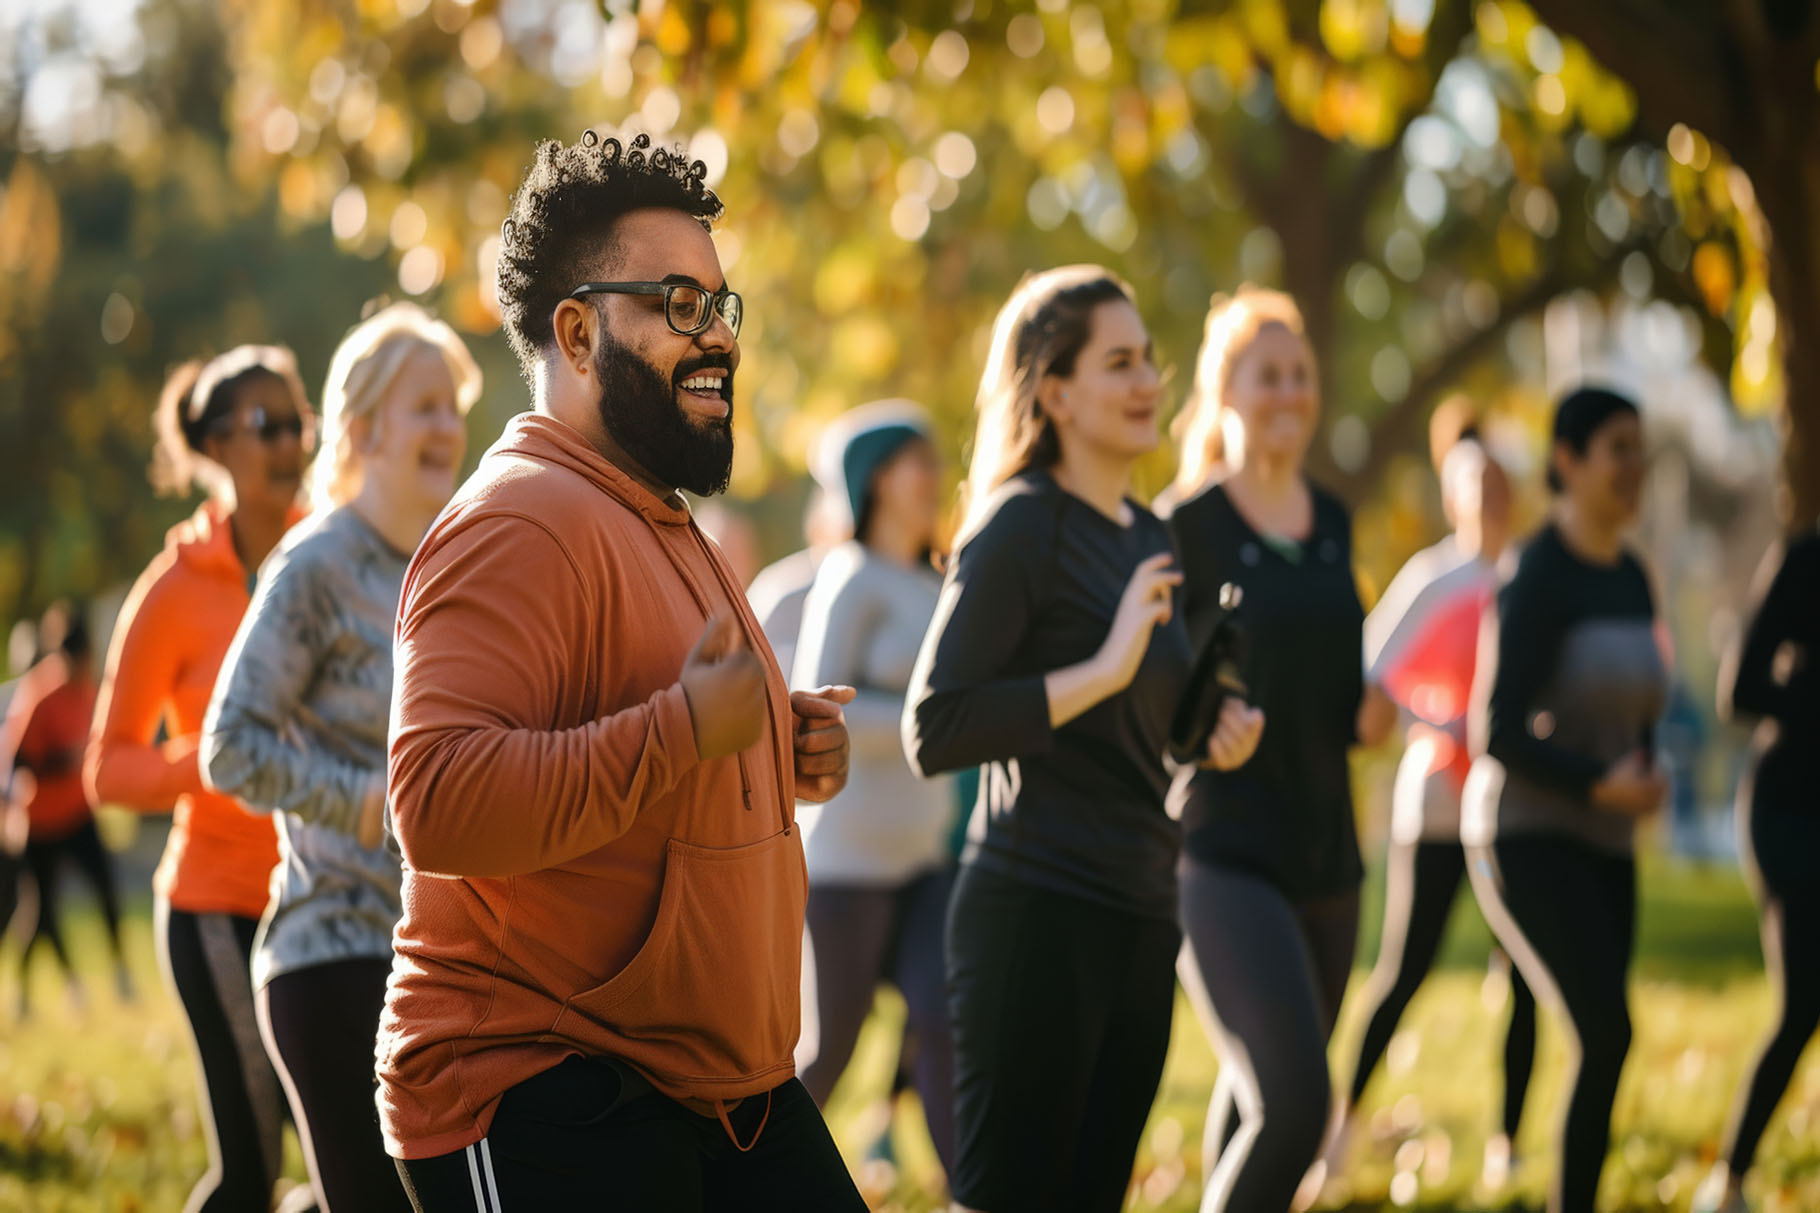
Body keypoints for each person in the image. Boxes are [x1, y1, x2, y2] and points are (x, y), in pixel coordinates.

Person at [377, 130, 865, 1212]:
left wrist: (771, 749)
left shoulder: (657, 515)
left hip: (724, 1090)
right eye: (679, 304)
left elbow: (638, 728)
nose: (717, 335)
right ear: (577, 331)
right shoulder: (516, 521)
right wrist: (686, 730)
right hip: (544, 1083)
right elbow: (439, 804)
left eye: (720, 305)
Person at [903, 264, 1263, 1213]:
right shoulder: (1021, 526)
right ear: (1056, 392)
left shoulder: (1150, 533)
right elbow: (935, 725)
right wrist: (1104, 666)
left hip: (1142, 913)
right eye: (1118, 363)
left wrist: (1209, 730)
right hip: (1036, 913)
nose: (1149, 381)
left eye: (1147, 358)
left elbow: (1140, 733)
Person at [199, 302, 479, 1212]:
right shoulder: (315, 564)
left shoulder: (454, 563)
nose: (448, 426)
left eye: (453, 406)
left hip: (444, 962)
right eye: (424, 405)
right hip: (331, 957)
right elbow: (228, 746)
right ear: (362, 429)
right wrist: (364, 799)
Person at [1162, 286, 1396, 1213]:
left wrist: (1368, 712)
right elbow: (1150, 690)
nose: (1290, 392)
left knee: (1261, 1095)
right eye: (1268, 375)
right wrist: (1197, 726)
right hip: (1222, 851)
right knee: (1298, 1105)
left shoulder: (1332, 519)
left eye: (1300, 373)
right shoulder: (1184, 525)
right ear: (1225, 391)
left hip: (1328, 853)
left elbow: (1332, 678)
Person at [85, 345, 312, 1213]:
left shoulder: (329, 556)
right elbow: (109, 769)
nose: (290, 443)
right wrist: (216, 756)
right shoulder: (173, 591)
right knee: (251, 1176)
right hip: (217, 911)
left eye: (299, 422)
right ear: (218, 445)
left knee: (355, 1167)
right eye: (267, 425)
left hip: (322, 899)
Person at [1463, 386, 1667, 1213]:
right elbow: (1495, 727)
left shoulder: (1634, 577)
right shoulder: (1537, 572)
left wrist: (1643, 773)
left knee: (1605, 1040)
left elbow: (1639, 706)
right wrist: (1595, 782)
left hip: (1608, 839)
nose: (1635, 465)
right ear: (1568, 461)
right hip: (1524, 834)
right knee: (1606, 1029)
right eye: (1618, 448)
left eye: (1640, 448)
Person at [1327, 434, 1537, 1190]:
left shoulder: (1526, 577)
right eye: (1477, 485)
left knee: (1525, 976)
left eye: (1501, 484)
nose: (1490, 498)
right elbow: (1367, 669)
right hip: (1437, 806)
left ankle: (1507, 1144)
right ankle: (1341, 1127)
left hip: (1511, 808)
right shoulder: (1433, 577)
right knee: (1404, 970)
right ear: (1454, 498)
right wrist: (1436, 722)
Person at [792, 400, 956, 1172]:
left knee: (947, 1020)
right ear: (880, 478)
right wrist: (932, 720)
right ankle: (747, 1186)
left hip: (926, 860)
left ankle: (970, 1193)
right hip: (847, 867)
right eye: (919, 461)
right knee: (830, 1051)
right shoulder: (850, 579)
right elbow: (819, 710)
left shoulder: (939, 582)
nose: (935, 475)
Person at [1694, 522, 1819, 1213]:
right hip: (1792, 810)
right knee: (1803, 1002)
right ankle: (1729, 1181)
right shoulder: (1805, 561)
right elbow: (1737, 689)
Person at [3, 603, 132, 1015]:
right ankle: (30, 989)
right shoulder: (40, 694)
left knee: (106, 887)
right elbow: (18, 760)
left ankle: (121, 973)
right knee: (40, 910)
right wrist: (63, 759)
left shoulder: (90, 690)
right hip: (40, 819)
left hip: (77, 812)